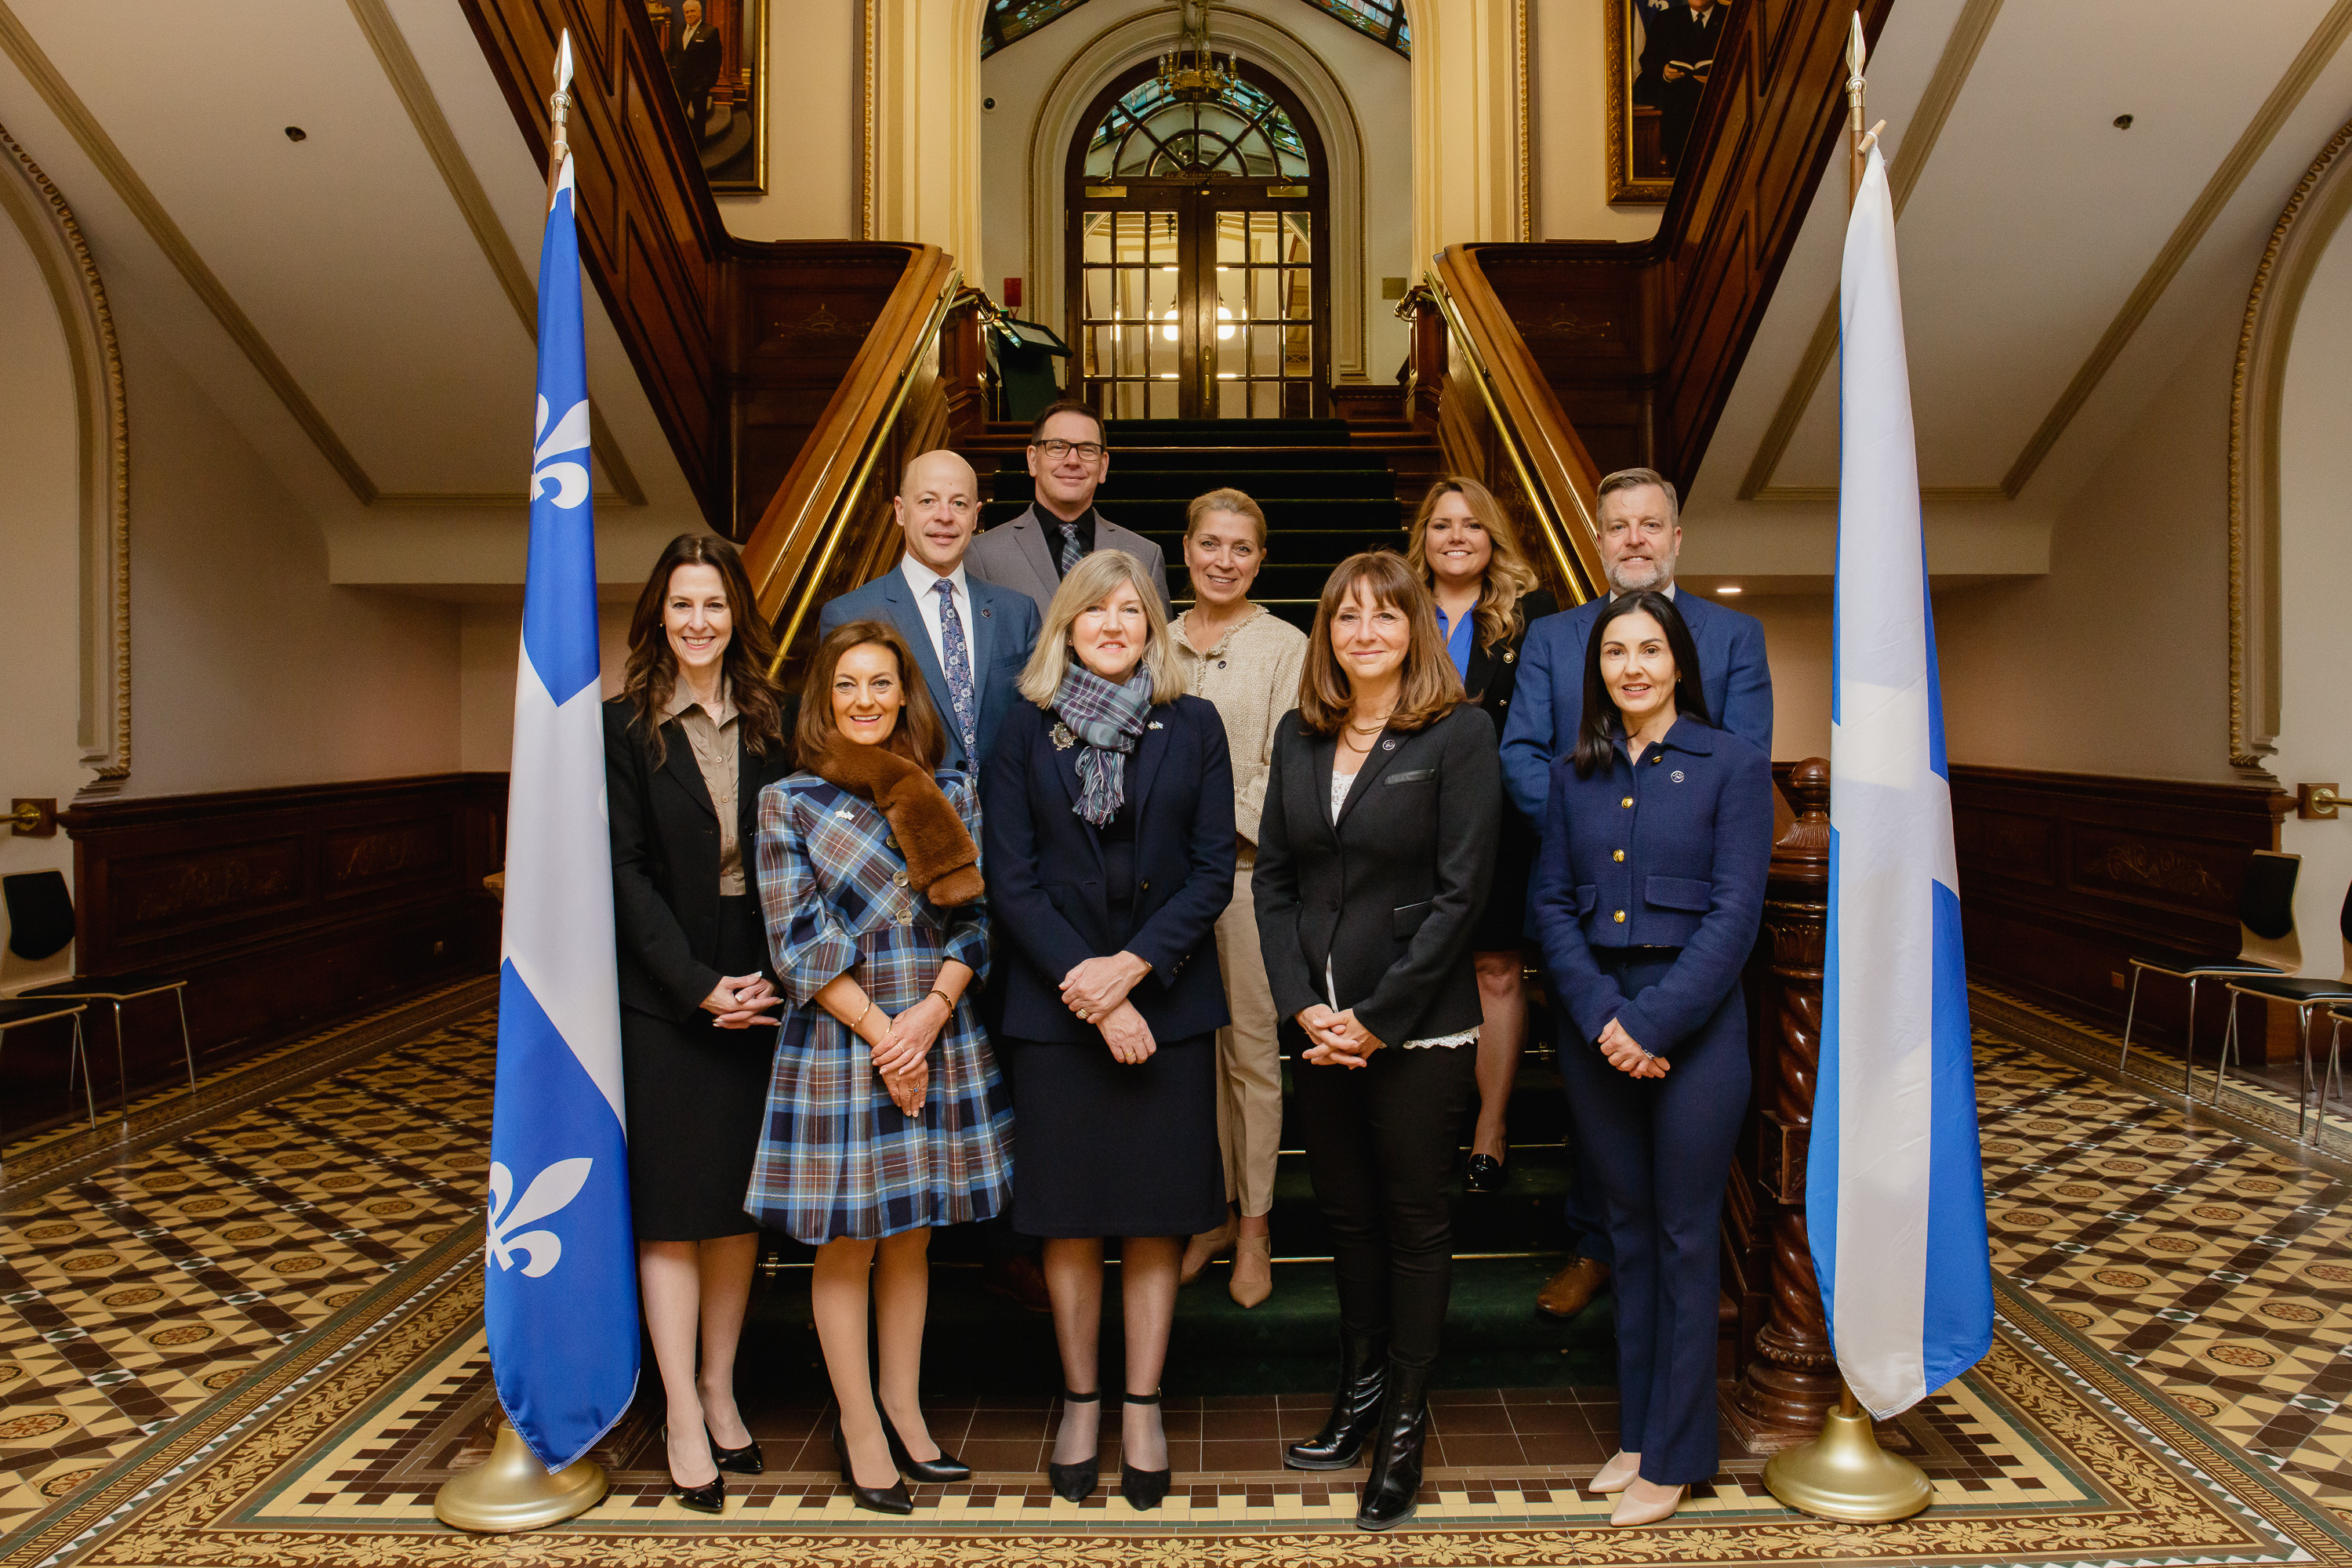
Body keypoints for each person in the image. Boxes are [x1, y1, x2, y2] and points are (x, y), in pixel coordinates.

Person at [981, 549, 1235, 1510]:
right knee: (1072, 1216)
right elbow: (1012, 876)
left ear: (1153, 624)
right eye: (1099, 609)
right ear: (1067, 624)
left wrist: (1131, 972)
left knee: (1157, 1216)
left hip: (1166, 1004)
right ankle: (1081, 1398)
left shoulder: (1195, 723)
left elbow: (1213, 871)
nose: (1117, 623)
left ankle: (1142, 1402)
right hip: (1055, 1011)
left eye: (1133, 609)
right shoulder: (1022, 727)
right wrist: (1092, 989)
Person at [1254, 551, 1501, 1532]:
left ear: (1415, 631)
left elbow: (1461, 894)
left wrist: (1378, 1017)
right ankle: (1357, 1395)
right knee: (1347, 1221)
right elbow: (1274, 881)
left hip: (1419, 1030)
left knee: (1413, 1221)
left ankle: (1404, 1422)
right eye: (1346, 616)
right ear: (1328, 633)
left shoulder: (1461, 732)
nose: (1364, 631)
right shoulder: (1301, 733)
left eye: (1385, 616)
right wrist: (1299, 1005)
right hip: (1318, 1028)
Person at [746, 621, 1013, 1515]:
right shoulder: (789, 799)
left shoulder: (951, 789)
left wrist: (929, 1016)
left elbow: (976, 922)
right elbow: (798, 940)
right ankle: (860, 1421)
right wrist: (882, 1033)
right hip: (841, 1034)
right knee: (850, 1240)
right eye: (847, 684)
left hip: (937, 1024)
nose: (865, 699)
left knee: (915, 1232)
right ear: (824, 698)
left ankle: (905, 1405)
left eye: (881, 683)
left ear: (906, 694)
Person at [1501, 465, 1770, 1323]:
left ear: (1677, 536)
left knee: (1683, 1129)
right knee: (1601, 1092)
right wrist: (1593, 846)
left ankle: (1678, 1265)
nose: (1635, 540)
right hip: (1582, 902)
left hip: (1693, 921)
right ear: (1599, 539)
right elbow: (1525, 756)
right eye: (1618, 526)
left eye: (1650, 524)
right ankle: (1596, 1246)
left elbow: (1745, 761)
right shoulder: (1557, 636)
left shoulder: (1734, 635)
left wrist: (1645, 827)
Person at [1530, 590, 1769, 1527]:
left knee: (1682, 1233)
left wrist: (1652, 1025)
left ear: (1679, 662)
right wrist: (1601, 1018)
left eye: (1650, 649)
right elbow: (1552, 904)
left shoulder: (1733, 764)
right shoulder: (1572, 770)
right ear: (1598, 668)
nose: (1632, 666)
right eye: (1615, 651)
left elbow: (1734, 915)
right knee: (1625, 1234)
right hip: (1598, 1029)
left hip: (1696, 1029)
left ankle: (1676, 1453)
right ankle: (1637, 1432)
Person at [604, 533, 796, 1515]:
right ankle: (679, 1405)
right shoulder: (622, 728)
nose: (698, 622)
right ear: (658, 618)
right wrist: (694, 984)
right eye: (681, 605)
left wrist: (767, 975)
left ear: (738, 617)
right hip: (666, 989)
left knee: (738, 1205)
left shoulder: (777, 720)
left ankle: (721, 1383)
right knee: (676, 1208)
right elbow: (624, 876)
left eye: (714, 605)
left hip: (764, 982)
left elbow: (802, 848)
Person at [1167, 488, 1308, 1308]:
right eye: (1210, 543)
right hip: (1162, 886)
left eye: (1241, 547)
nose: (1224, 559)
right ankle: (1211, 1215)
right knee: (1192, 1060)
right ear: (1186, 549)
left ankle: (1255, 1226)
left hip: (1247, 877)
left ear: (1261, 558)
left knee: (1252, 1056)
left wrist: (1213, 839)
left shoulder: (1286, 645)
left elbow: (1283, 762)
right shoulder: (1153, 637)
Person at [1406, 477, 1557, 1196]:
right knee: (1417, 967)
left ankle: (1490, 1127)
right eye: (1442, 526)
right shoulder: (1394, 604)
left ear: (1493, 536)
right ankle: (1423, 1126)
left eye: (1471, 525)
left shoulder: (1535, 615)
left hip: (1497, 820)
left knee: (1496, 972)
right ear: (1424, 537)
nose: (1456, 537)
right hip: (1403, 821)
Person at [819, 448, 1044, 775]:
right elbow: (837, 742)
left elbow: (1036, 730)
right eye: (927, 501)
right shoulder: (850, 615)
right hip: (904, 817)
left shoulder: (1017, 612)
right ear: (900, 511)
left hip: (1004, 818)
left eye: (959, 503)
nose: (945, 516)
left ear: (976, 516)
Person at [966, 400, 1172, 616]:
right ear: (1033, 460)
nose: (1073, 460)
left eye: (1087, 449)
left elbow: (1158, 648)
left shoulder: (1147, 557)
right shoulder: (983, 554)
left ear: (1103, 467)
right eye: (1058, 447)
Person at [1636, 0, 1724, 172]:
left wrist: (1720, 78)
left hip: (1719, 113)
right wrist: (1664, 73)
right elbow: (1647, 60)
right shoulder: (1667, 18)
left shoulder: (1729, 16)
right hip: (1677, 117)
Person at [665, 0, 724, 145]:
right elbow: (670, 51)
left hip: (699, 85)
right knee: (679, 115)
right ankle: (683, 143)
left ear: (699, 12)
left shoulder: (710, 31)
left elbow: (716, 60)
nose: (689, 15)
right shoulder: (679, 30)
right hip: (680, 82)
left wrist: (708, 83)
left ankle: (698, 147)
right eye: (686, 12)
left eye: (692, 11)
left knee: (699, 118)